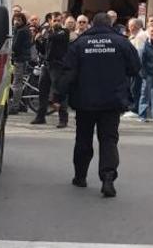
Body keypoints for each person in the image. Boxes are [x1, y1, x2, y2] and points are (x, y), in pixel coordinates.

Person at [56, 13, 141, 198]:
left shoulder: (79, 44)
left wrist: (58, 94)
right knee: (109, 140)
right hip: (112, 101)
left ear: (92, 24)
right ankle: (108, 178)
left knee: (83, 139)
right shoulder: (121, 42)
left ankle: (80, 176)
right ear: (110, 23)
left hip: (84, 100)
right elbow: (135, 68)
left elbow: (68, 72)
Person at [32, 13, 70, 128]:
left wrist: (43, 34)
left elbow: (53, 37)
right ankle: (40, 116)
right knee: (43, 91)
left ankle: (63, 119)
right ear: (51, 21)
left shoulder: (64, 32)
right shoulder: (48, 32)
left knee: (59, 91)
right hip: (46, 65)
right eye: (55, 20)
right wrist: (38, 41)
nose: (57, 22)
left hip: (58, 65)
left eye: (59, 20)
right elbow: (43, 49)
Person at [9, 13, 31, 115]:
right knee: (20, 82)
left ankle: (15, 106)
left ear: (23, 20)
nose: (16, 22)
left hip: (19, 59)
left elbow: (15, 46)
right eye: (15, 19)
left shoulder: (21, 31)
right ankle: (22, 105)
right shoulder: (25, 30)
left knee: (17, 83)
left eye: (19, 20)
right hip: (23, 59)